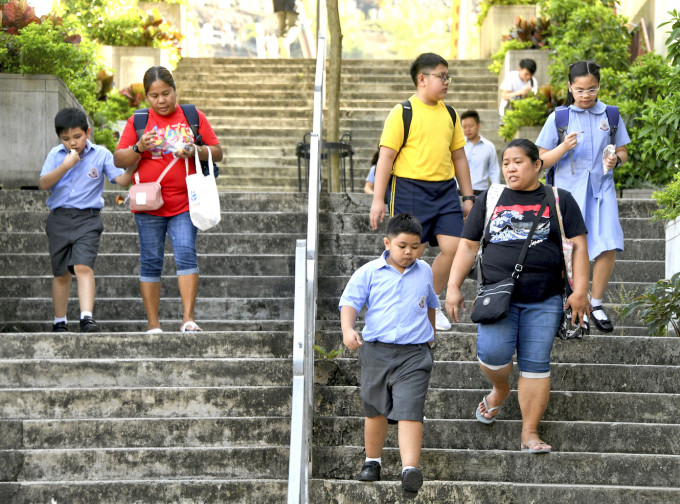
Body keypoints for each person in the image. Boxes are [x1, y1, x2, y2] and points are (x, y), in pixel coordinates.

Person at [445, 139, 589, 453]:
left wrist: (580, 291)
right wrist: (453, 286)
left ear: (538, 165)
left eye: (518, 161)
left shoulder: (559, 199)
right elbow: (468, 245)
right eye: (506, 162)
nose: (511, 167)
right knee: (493, 354)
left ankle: (530, 433)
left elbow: (579, 247)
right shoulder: (491, 197)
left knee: (536, 364)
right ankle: (500, 389)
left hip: (546, 297)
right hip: (497, 296)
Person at [369, 52, 475, 332]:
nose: (446, 81)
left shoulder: (450, 114)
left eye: (447, 76)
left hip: (445, 190)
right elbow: (386, 158)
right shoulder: (403, 112)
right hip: (409, 189)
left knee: (456, 247)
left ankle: (430, 302)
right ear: (422, 79)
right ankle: (398, 308)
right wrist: (378, 199)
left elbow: (460, 158)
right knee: (410, 251)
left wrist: (468, 197)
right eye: (442, 76)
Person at [114, 66, 223, 334]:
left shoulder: (192, 116)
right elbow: (119, 159)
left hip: (186, 202)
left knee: (186, 253)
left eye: (166, 93)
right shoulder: (138, 120)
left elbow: (218, 152)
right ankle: (153, 324)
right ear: (147, 97)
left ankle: (188, 319)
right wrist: (140, 147)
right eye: (154, 95)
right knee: (151, 259)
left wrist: (194, 150)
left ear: (175, 90)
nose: (161, 100)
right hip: (149, 204)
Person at [340, 213, 439, 499]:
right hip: (376, 350)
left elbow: (430, 302)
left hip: (414, 355)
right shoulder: (369, 272)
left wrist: (431, 332)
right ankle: (373, 461)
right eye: (402, 246)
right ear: (387, 243)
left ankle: (409, 469)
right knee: (376, 409)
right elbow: (350, 302)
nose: (409, 252)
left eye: (415, 246)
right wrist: (348, 330)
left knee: (410, 410)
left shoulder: (425, 271)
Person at [536, 61, 629, 333]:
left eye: (592, 89)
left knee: (609, 242)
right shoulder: (559, 118)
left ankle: (596, 303)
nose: (586, 95)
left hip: (602, 190)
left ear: (599, 87)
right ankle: (575, 305)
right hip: (568, 194)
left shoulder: (610, 115)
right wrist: (563, 147)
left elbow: (623, 151)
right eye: (580, 90)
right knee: (573, 248)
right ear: (569, 87)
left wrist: (616, 160)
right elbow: (540, 161)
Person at [39, 107, 137, 332]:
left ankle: (86, 317)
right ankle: (60, 320)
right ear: (59, 138)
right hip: (59, 218)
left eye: (77, 137)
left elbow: (121, 179)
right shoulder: (56, 155)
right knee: (61, 272)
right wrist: (66, 166)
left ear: (88, 132)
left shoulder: (101, 154)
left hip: (88, 219)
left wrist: (137, 161)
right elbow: (44, 183)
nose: (72, 143)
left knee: (83, 266)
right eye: (65, 138)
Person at [460, 110, 501, 194]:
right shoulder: (458, 146)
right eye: (464, 127)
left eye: (470, 126)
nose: (467, 129)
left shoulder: (489, 147)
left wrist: (496, 192)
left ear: (478, 126)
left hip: (481, 193)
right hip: (459, 193)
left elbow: (494, 171)